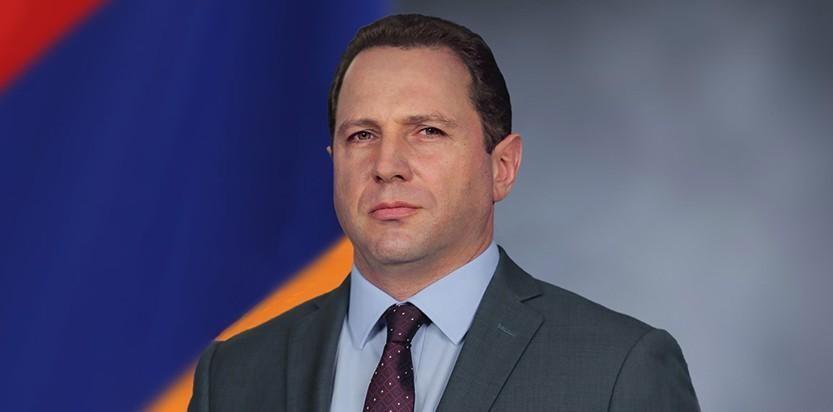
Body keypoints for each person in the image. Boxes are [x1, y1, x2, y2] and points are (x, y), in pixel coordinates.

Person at [188, 14, 700, 412]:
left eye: (427, 131)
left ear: (502, 167)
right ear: (333, 161)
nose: (386, 166)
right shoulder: (232, 375)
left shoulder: (618, 370)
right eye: (362, 135)